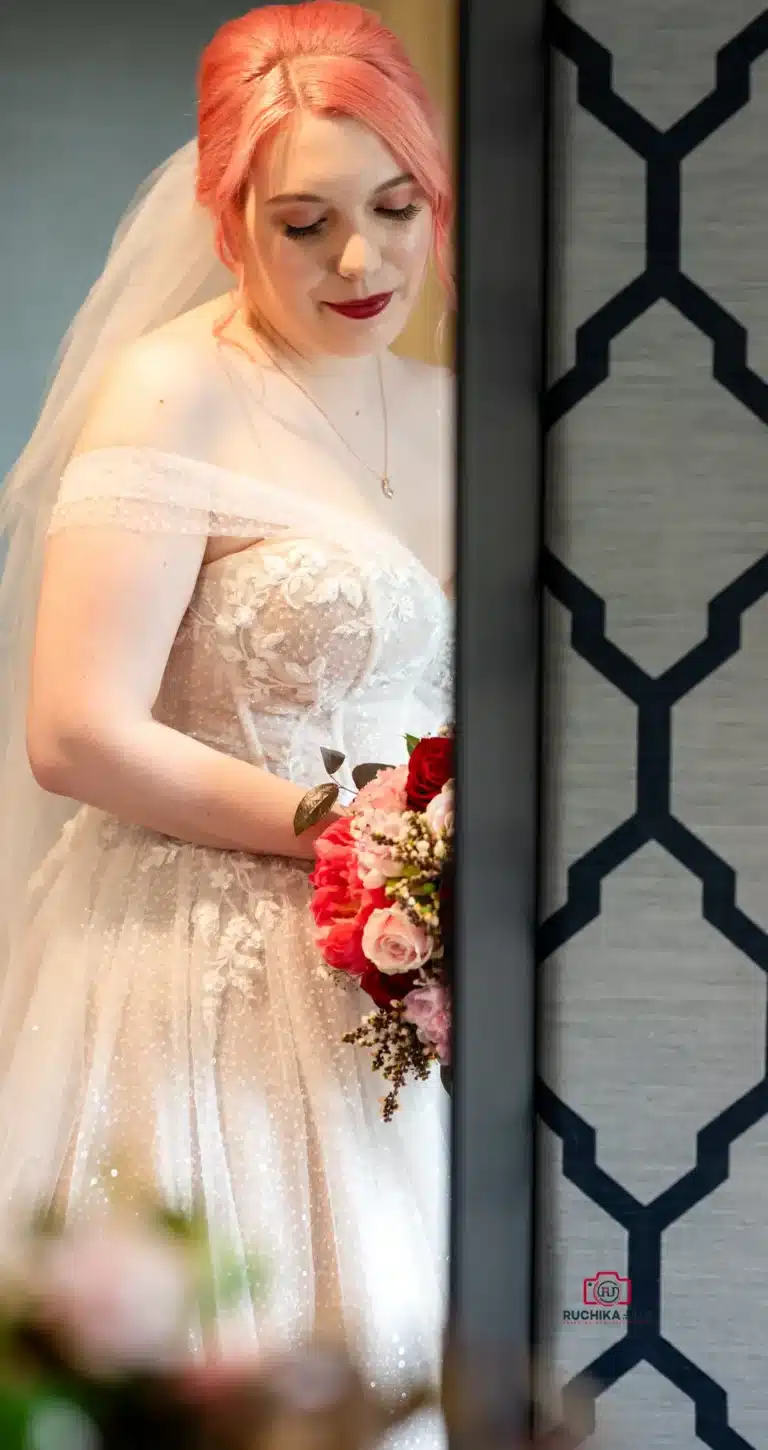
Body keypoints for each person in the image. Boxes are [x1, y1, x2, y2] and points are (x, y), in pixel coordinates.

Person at [0, 1, 454, 1440]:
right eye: (303, 221)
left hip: (396, 988)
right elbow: (74, 730)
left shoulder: (463, 412)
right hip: (193, 966)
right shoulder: (174, 391)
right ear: (224, 213)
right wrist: (352, 831)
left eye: (394, 207)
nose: (362, 260)